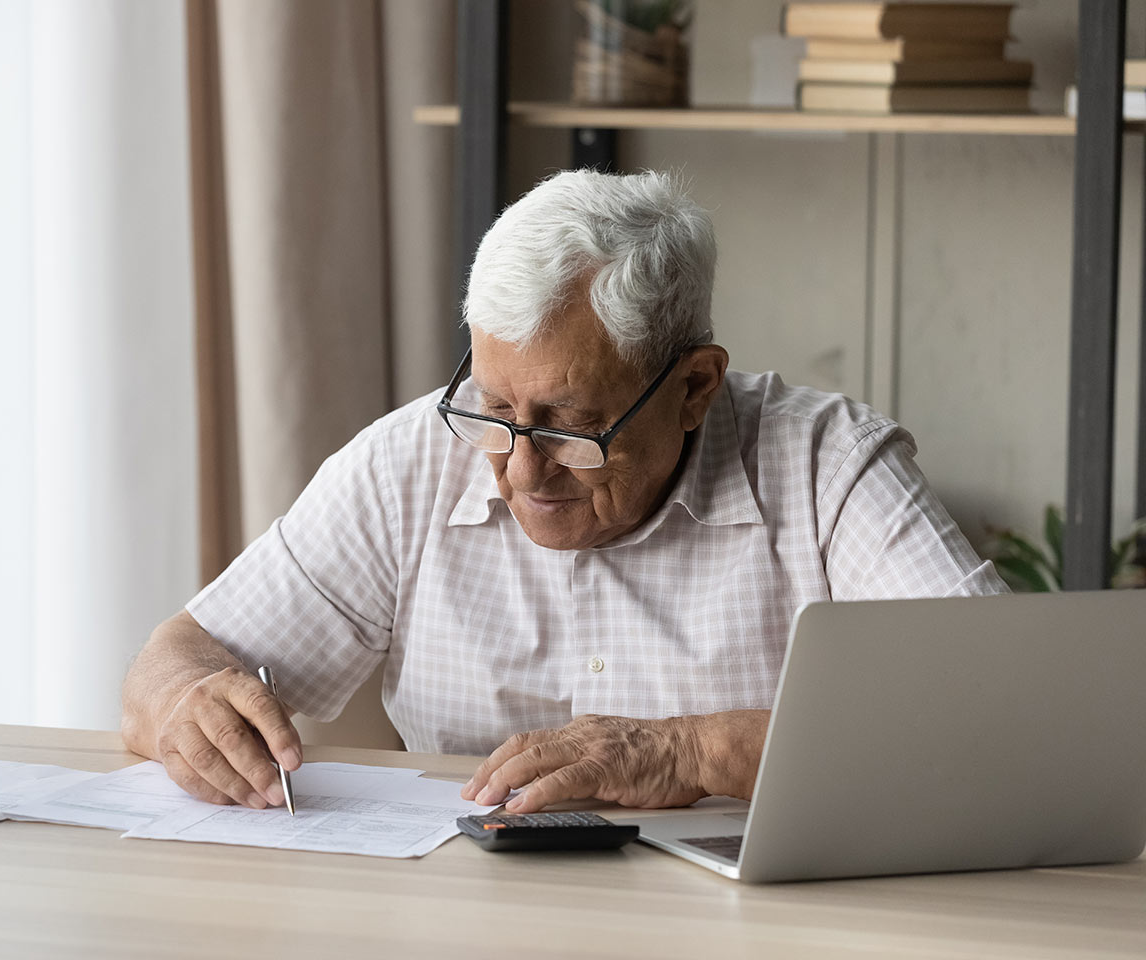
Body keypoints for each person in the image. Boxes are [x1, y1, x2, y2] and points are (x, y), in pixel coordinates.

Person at [120, 169, 1007, 816]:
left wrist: (692, 750)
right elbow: (174, 661)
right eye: (497, 409)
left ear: (695, 386)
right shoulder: (411, 460)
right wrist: (185, 705)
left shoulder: (825, 466)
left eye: (569, 426)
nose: (517, 469)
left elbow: (998, 716)